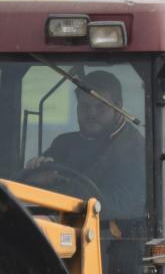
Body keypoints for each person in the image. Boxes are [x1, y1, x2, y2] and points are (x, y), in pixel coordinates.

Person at [24, 70, 144, 217]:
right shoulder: (63, 143)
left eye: (100, 107)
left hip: (113, 236)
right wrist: (34, 177)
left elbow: (118, 206)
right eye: (84, 107)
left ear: (118, 106)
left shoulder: (135, 150)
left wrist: (56, 181)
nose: (91, 114)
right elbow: (30, 186)